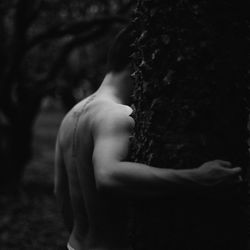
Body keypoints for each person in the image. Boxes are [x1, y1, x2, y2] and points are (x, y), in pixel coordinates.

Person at [54, 25, 242, 250]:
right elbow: (108, 176)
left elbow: (60, 191)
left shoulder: (71, 116)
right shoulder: (115, 114)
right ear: (138, 63)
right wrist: (198, 177)